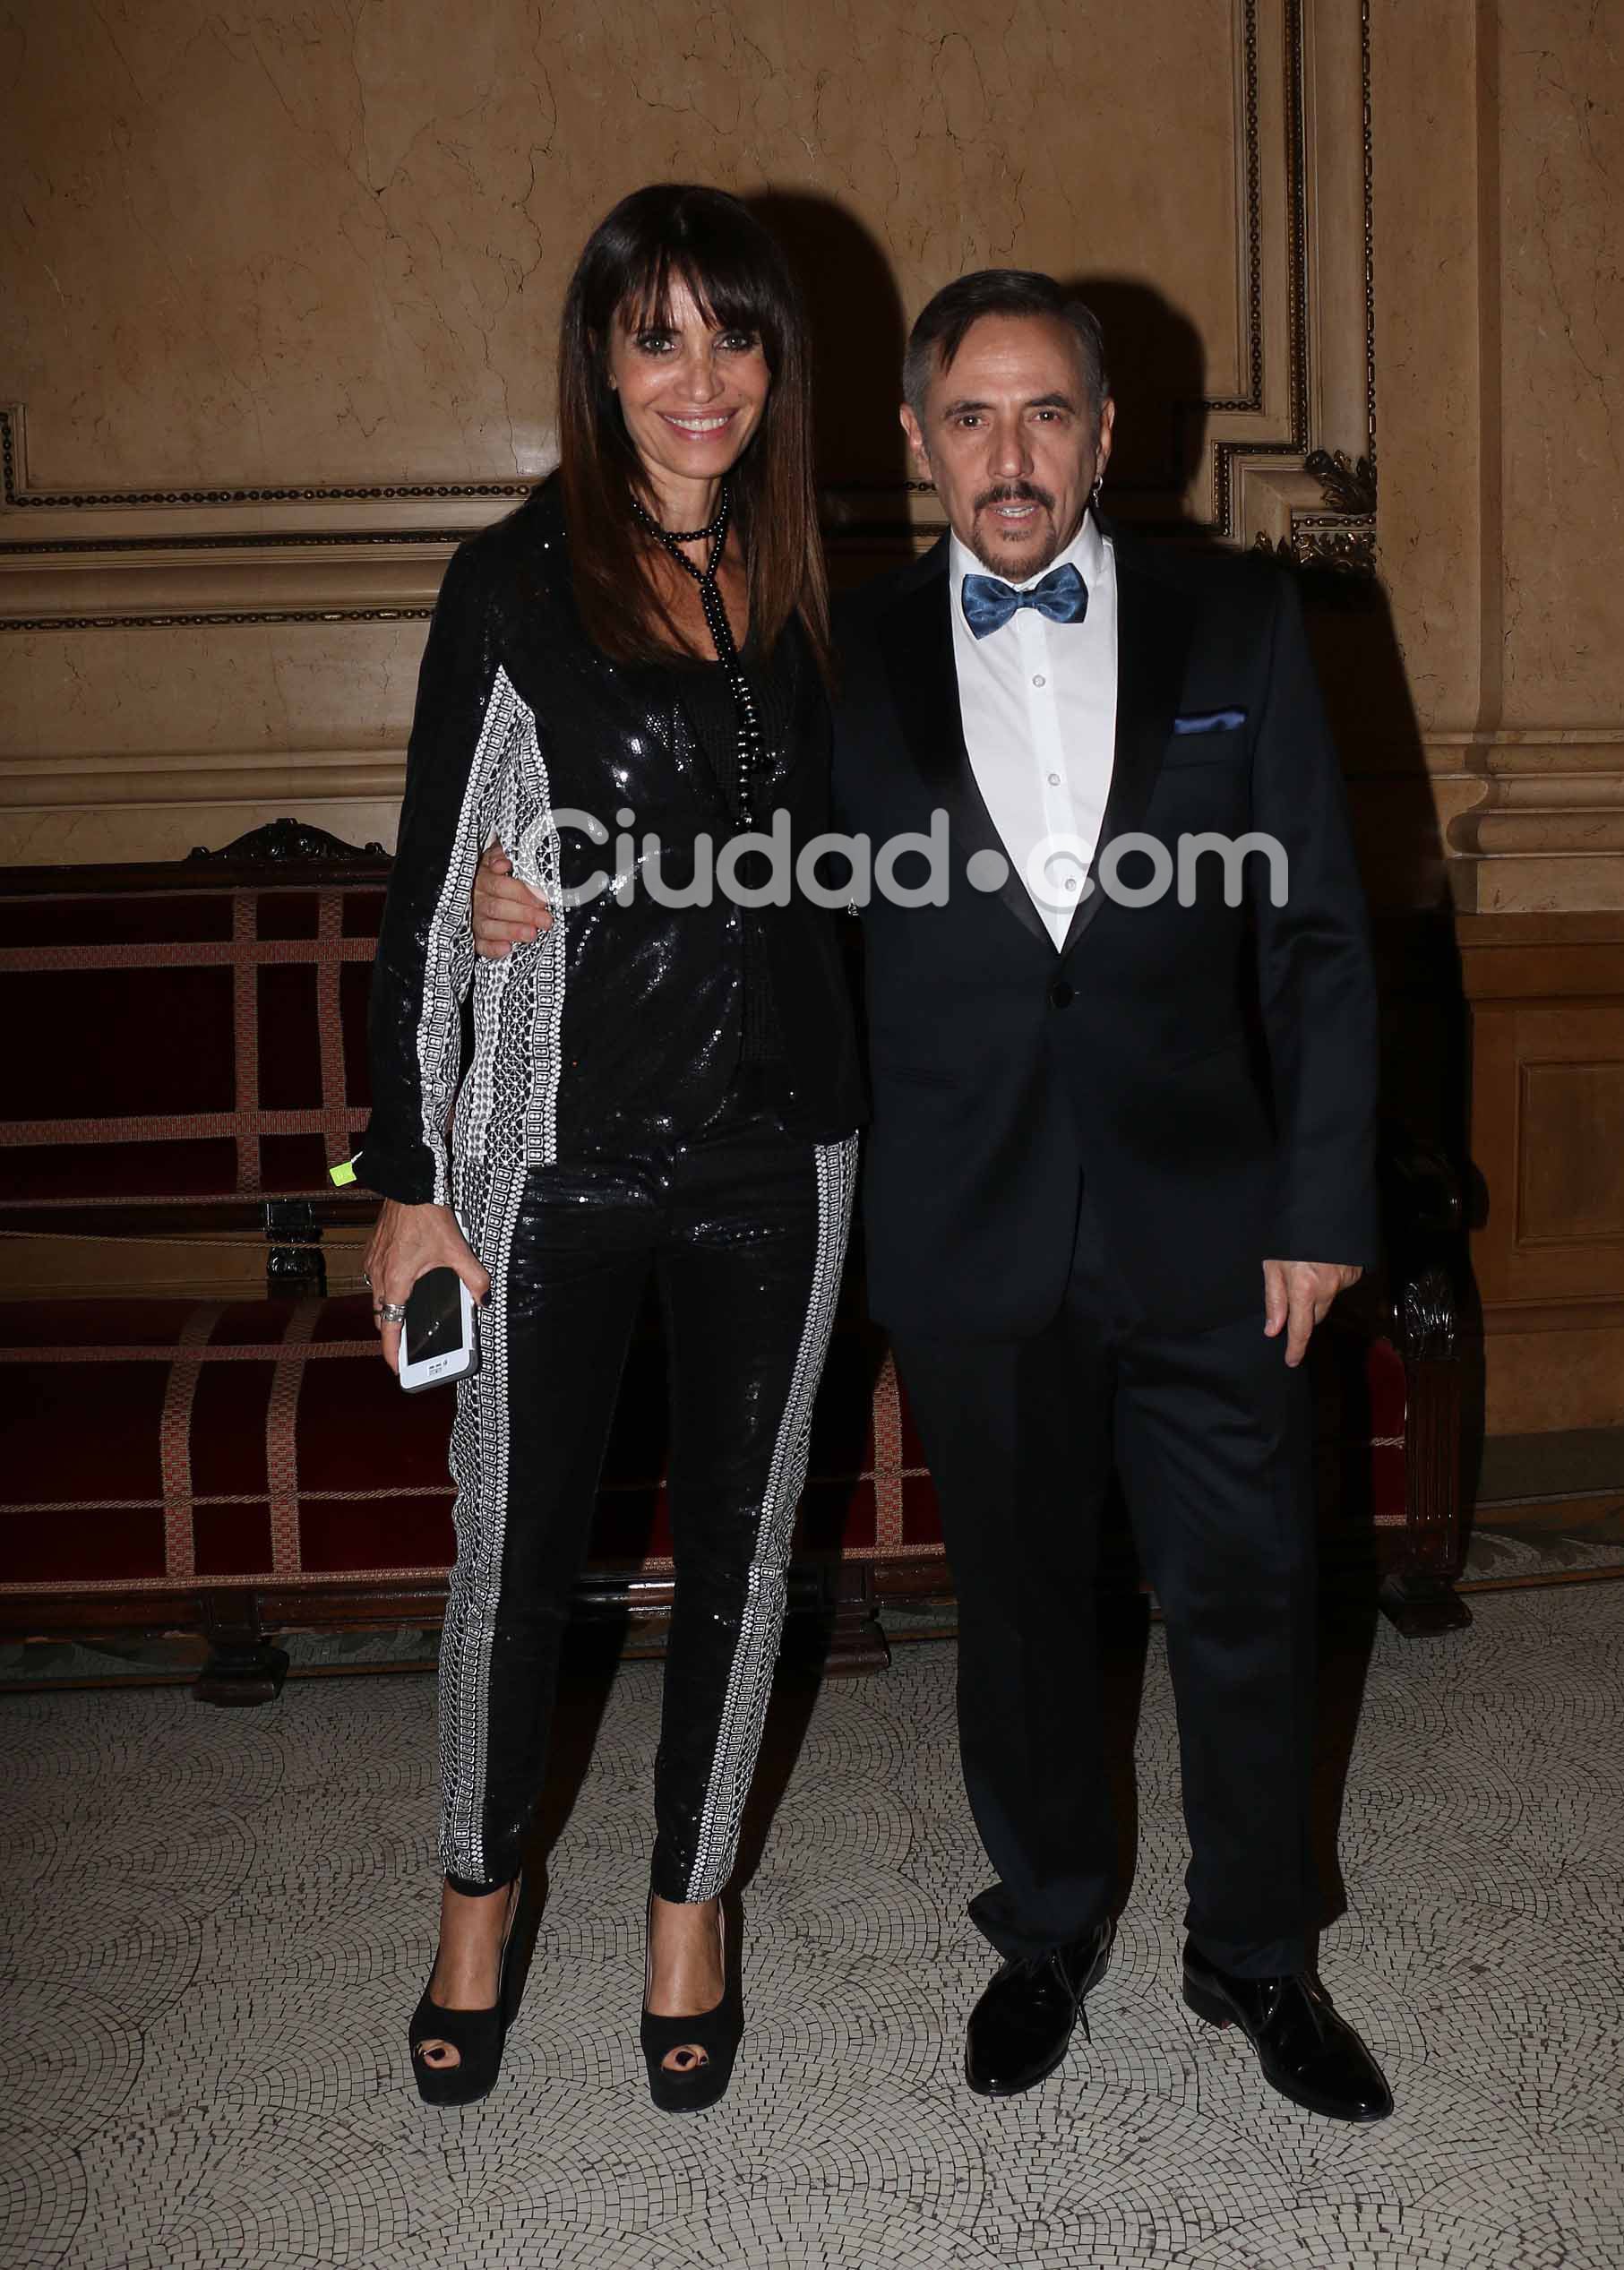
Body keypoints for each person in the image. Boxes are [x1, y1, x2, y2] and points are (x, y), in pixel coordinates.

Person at [475, 268, 1392, 2124]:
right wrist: (553, 880)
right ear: (912, 439)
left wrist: (1322, 1202)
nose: (1009, 454)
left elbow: (1313, 933)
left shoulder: (1244, 622)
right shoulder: (846, 647)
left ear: (1110, 433)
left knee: (1247, 1588)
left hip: (1213, 1221)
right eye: (968, 417)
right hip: (966, 1221)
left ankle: (1259, 1950)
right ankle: (1046, 1924)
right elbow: (740, 854)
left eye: (1045, 412)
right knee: (1026, 1603)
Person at [353, 183, 862, 2112]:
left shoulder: (818, 581)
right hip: (547, 1156)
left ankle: (688, 1911)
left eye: (734, 337)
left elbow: (868, 858)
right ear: (601, 363)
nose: (703, 377)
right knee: (515, 1553)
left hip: (783, 1149)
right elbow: (422, 899)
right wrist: (402, 1176)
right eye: (660, 336)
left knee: (745, 1554)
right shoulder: (511, 582)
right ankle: (475, 1902)